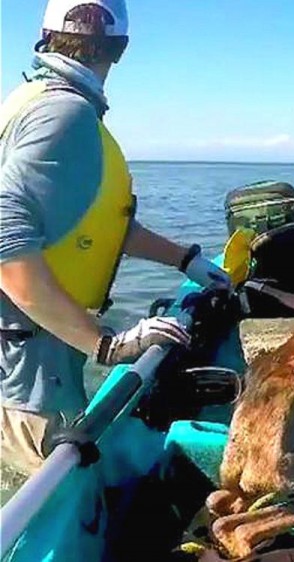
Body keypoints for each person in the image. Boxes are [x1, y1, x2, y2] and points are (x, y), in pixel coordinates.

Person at [0, 0, 232, 475]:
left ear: (44, 38)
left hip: (35, 344)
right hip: (27, 362)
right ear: (121, 49)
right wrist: (105, 344)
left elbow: (96, 225)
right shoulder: (65, 116)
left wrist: (184, 259)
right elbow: (4, 235)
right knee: (48, 495)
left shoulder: (36, 100)